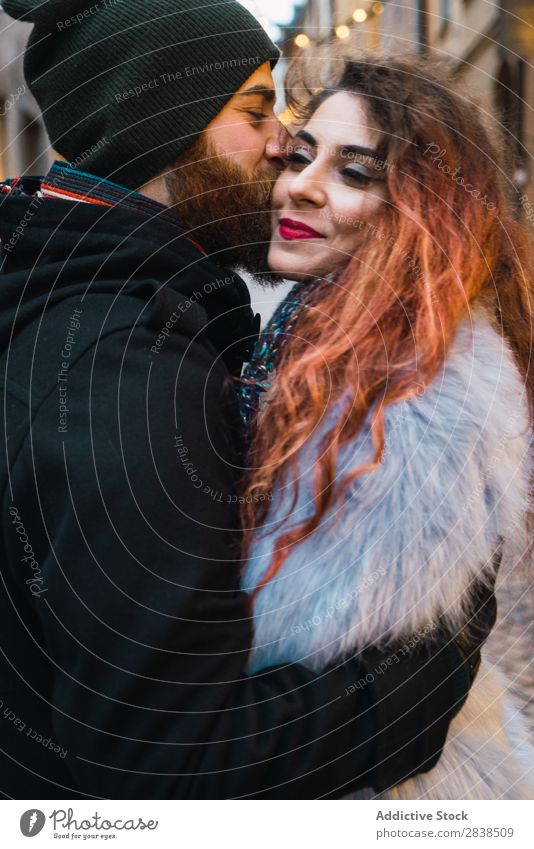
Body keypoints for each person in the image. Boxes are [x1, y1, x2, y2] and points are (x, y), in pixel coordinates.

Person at [0, 1, 487, 800]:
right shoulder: (126, 374)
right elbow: (171, 767)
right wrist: (431, 664)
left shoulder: (93, 306)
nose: (282, 146)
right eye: (255, 109)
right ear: (157, 121)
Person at [240, 51, 534, 798]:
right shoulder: (294, 326)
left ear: (418, 210)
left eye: (354, 172)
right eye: (302, 157)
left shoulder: (423, 391)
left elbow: (311, 645)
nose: (300, 186)